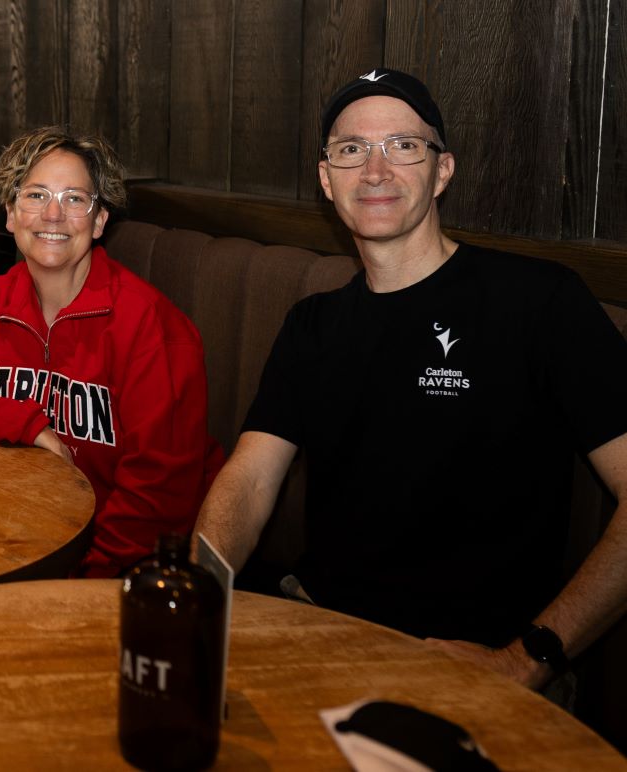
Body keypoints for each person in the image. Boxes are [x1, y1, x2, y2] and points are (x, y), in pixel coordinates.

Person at [192, 69, 627, 693]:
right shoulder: (312, 325)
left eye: (403, 145)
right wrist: (199, 589)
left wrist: (526, 658)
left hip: (487, 664)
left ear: (441, 170)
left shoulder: (539, 302)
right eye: (351, 150)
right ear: (326, 180)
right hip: (322, 633)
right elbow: (250, 479)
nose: (375, 170)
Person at [0, 125, 226, 578]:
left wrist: (86, 579)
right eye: (35, 196)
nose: (53, 215)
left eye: (75, 199)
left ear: (99, 221)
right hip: (20, 541)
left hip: (125, 567)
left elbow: (157, 495)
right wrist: (29, 426)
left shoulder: (154, 327)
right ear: (11, 214)